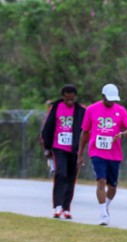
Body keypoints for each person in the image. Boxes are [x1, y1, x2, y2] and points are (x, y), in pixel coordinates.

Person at [78, 84, 127, 226]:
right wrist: (80, 154)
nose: (111, 102)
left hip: (114, 153)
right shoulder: (91, 110)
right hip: (96, 151)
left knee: (112, 186)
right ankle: (103, 214)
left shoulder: (120, 110)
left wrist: (122, 134)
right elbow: (84, 133)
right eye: (109, 99)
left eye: (113, 100)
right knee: (101, 181)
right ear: (103, 96)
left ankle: (106, 206)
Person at [40, 84, 86, 219]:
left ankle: (66, 208)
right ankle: (58, 206)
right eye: (67, 99)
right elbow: (46, 127)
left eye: (72, 99)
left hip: (74, 149)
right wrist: (47, 148)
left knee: (71, 177)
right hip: (58, 147)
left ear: (75, 97)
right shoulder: (55, 107)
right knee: (60, 174)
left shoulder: (81, 110)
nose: (70, 102)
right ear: (63, 97)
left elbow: (85, 130)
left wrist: (81, 150)